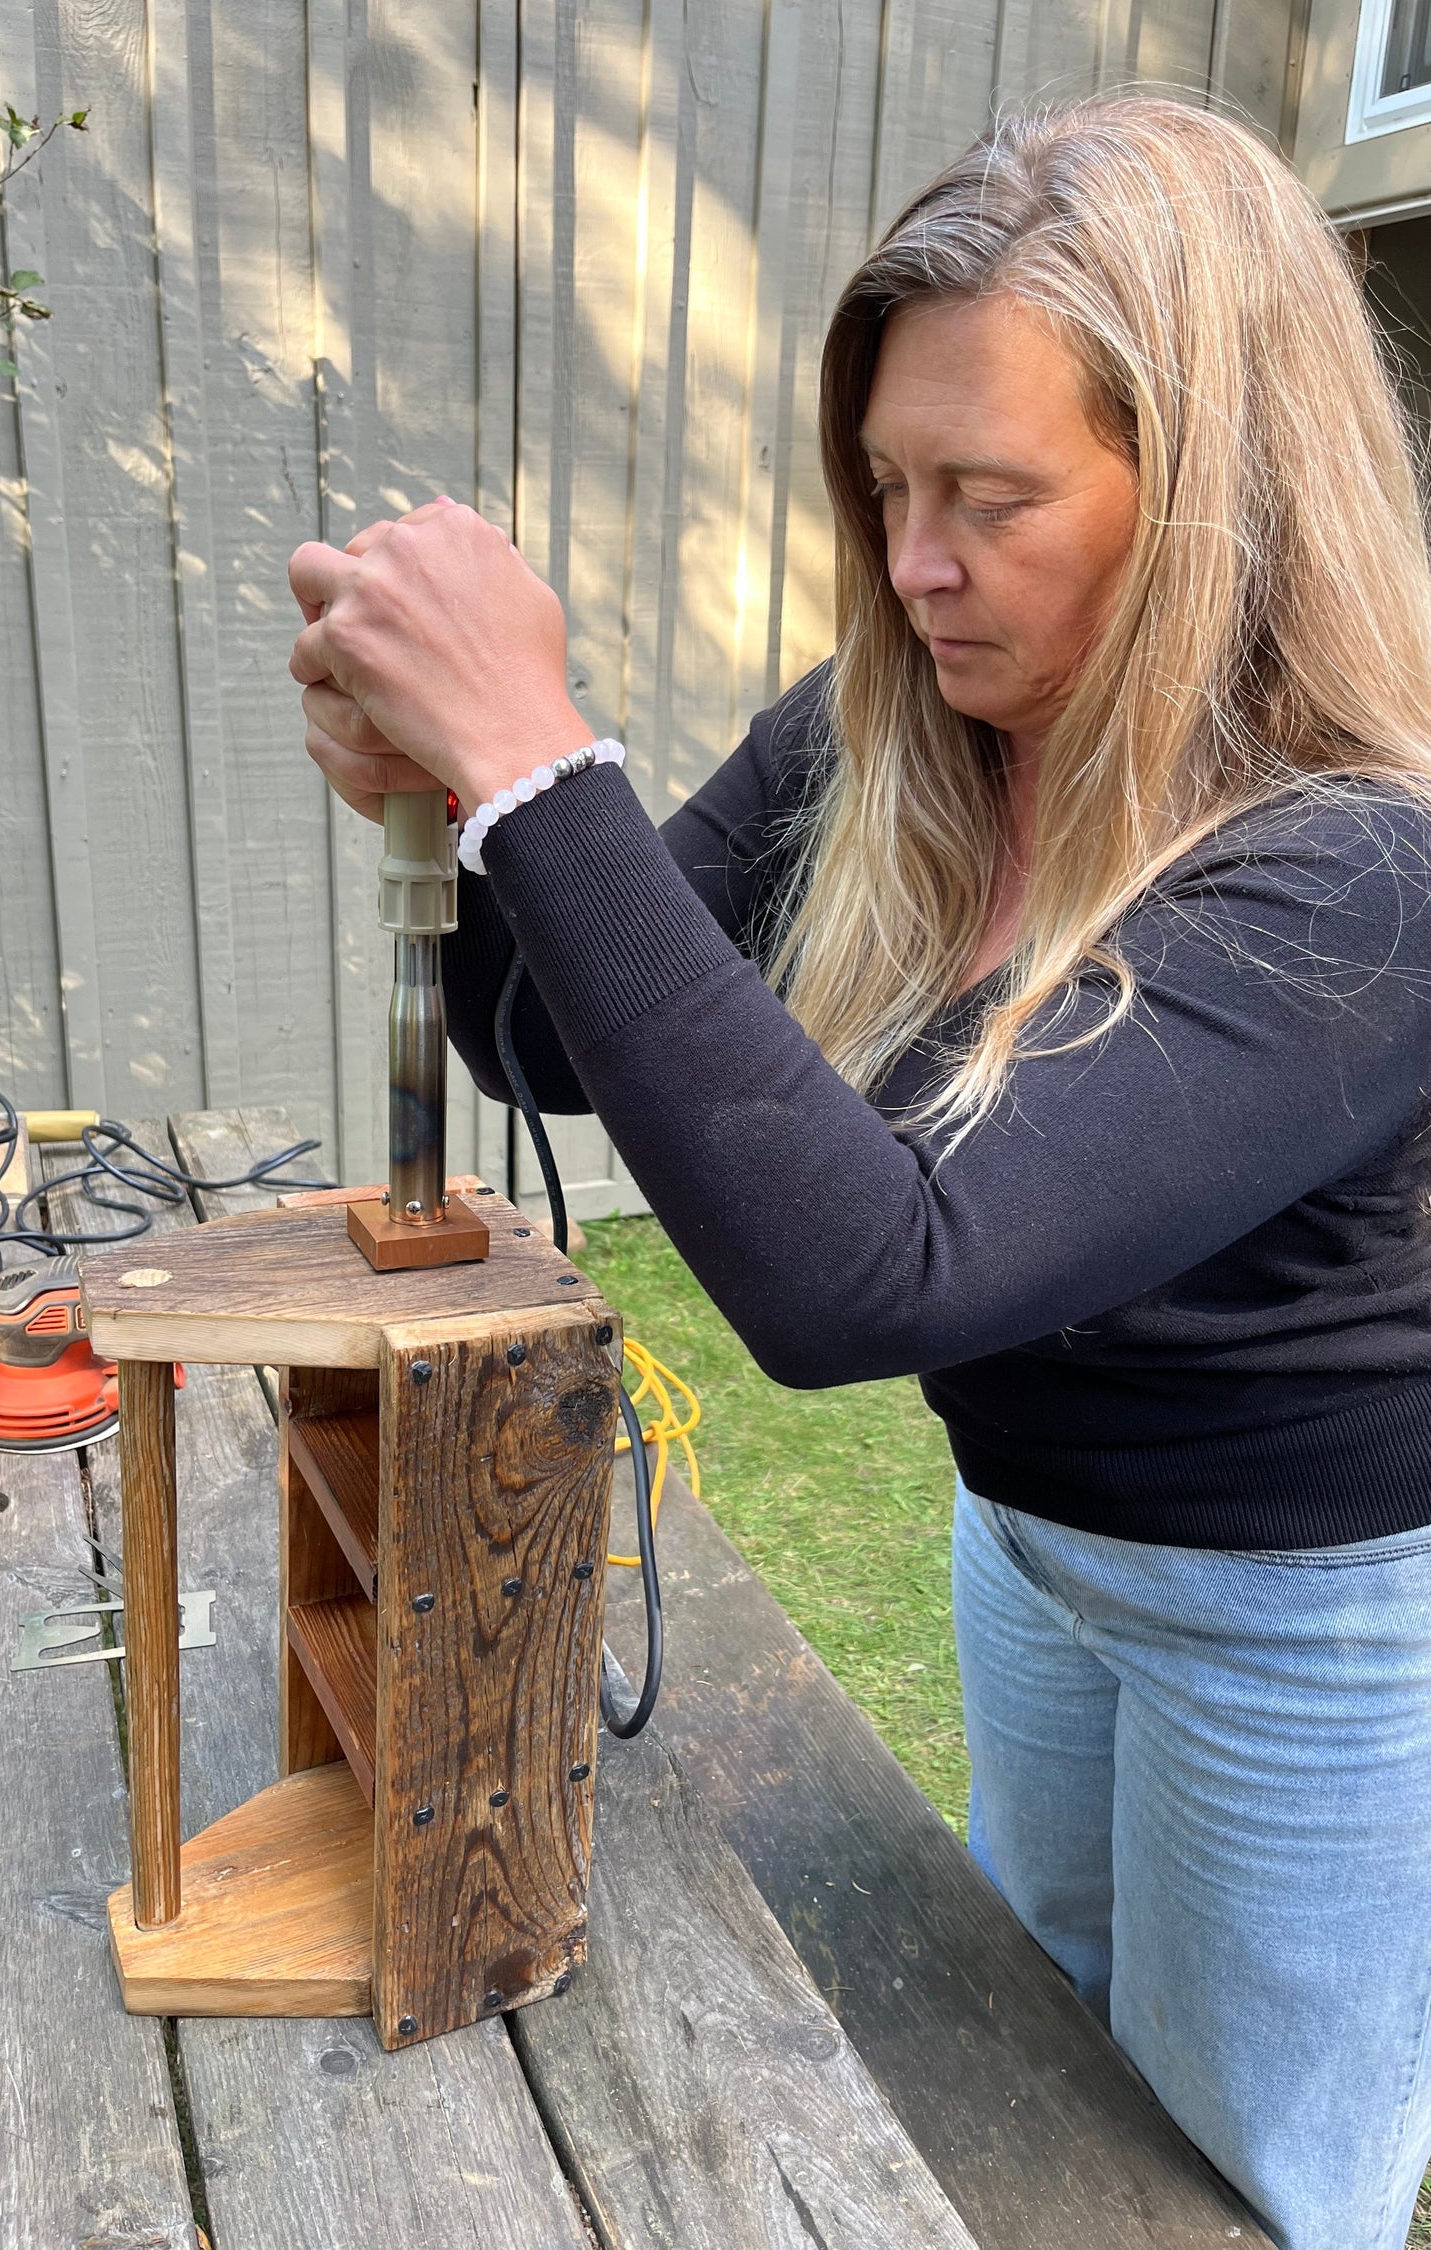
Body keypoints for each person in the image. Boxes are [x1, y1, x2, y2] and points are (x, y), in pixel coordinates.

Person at [287, 96, 1431, 2250]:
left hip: (1311, 1627)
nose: (910, 564)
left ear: (1214, 496)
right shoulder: (897, 729)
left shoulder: (1361, 868)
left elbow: (868, 1280)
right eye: (891, 487)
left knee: (1249, 2192)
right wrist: (472, 792)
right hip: (1035, 1545)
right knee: (1034, 2082)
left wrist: (541, 762)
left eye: (986, 497)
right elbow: (555, 1032)